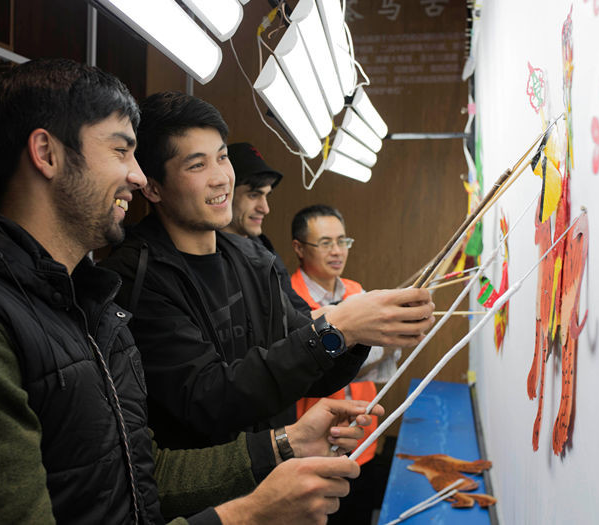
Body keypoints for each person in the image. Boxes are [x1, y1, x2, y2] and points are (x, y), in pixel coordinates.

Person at [0, 58, 383, 525]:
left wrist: (284, 443)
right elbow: (208, 399)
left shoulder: (86, 303)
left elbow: (137, 478)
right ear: (47, 153)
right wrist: (246, 516)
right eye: (121, 150)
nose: (137, 177)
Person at [100, 91, 435, 452]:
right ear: (152, 186)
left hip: (275, 475)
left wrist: (362, 330)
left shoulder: (254, 260)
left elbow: (309, 369)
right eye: (197, 165)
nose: (221, 178)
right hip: (201, 502)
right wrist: (342, 325)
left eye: (222, 158)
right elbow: (209, 399)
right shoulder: (134, 278)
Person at [291, 204, 401, 523]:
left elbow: (371, 366)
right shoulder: (289, 301)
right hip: (317, 443)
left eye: (343, 241)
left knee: (357, 512)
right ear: (299, 247)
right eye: (325, 243)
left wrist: (393, 337)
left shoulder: (356, 293)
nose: (337, 251)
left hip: (361, 437)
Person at [221, 142, 310, 316]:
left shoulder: (262, 246)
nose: (265, 208)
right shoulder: (208, 253)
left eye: (266, 195)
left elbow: (297, 309)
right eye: (253, 195)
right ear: (225, 193)